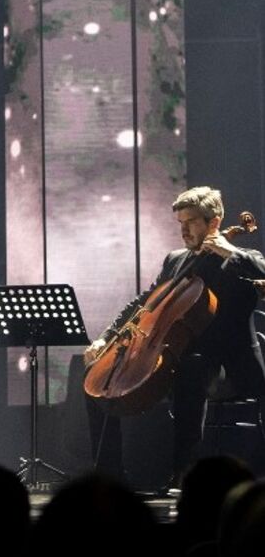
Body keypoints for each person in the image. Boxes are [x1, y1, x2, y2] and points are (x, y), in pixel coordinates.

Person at [84, 186, 265, 483]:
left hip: (230, 368)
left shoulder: (242, 258)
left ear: (214, 221)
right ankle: (108, 475)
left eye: (191, 222)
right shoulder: (176, 259)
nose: (184, 230)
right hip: (175, 360)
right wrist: (106, 336)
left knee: (192, 367)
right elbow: (145, 302)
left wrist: (231, 251)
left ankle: (184, 474)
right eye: (180, 223)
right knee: (97, 373)